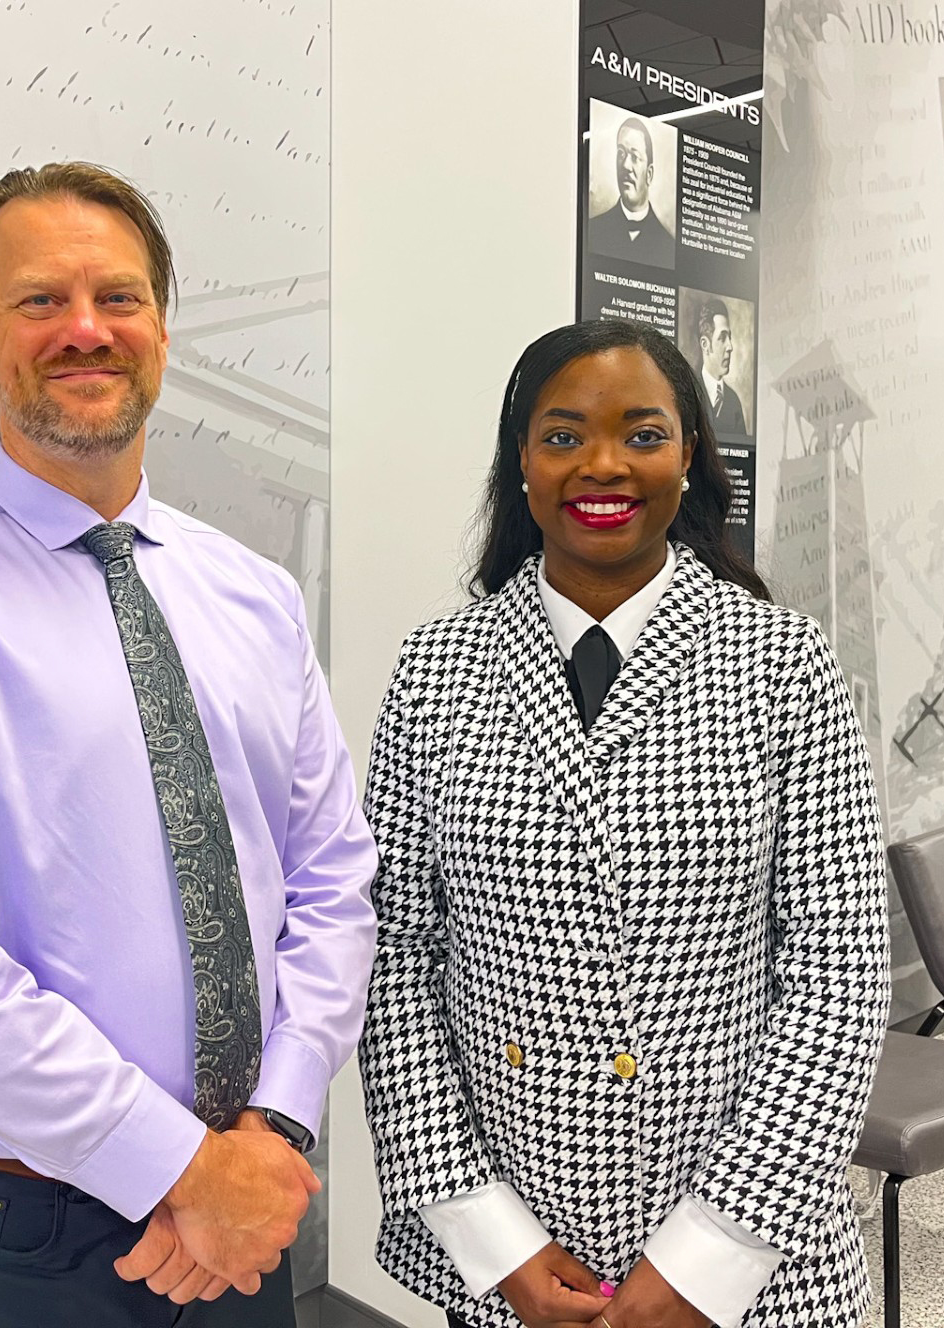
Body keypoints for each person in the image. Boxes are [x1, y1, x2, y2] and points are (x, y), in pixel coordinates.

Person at [0, 162, 379, 1327]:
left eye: (120, 296)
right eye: (41, 301)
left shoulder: (253, 594)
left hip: (245, 1204)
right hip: (9, 1237)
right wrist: (175, 1165)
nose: (87, 329)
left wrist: (272, 1132)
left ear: (161, 327)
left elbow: (331, 878)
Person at [357, 319, 889, 1328]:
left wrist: (708, 1256)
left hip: (756, 1254)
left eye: (642, 433)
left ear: (690, 455)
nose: (603, 464)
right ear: (521, 462)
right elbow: (395, 967)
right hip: (522, 1252)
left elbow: (841, 977)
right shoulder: (435, 671)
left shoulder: (785, 665)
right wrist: (491, 1235)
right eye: (563, 436)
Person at [587, 117, 677, 269]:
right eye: (621, 153)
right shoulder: (593, 231)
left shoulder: (669, 247)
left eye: (634, 157)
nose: (625, 165)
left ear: (649, 174)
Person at [695, 298, 749, 439]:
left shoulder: (733, 401)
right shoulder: (689, 392)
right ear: (705, 344)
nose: (730, 347)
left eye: (729, 337)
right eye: (722, 337)